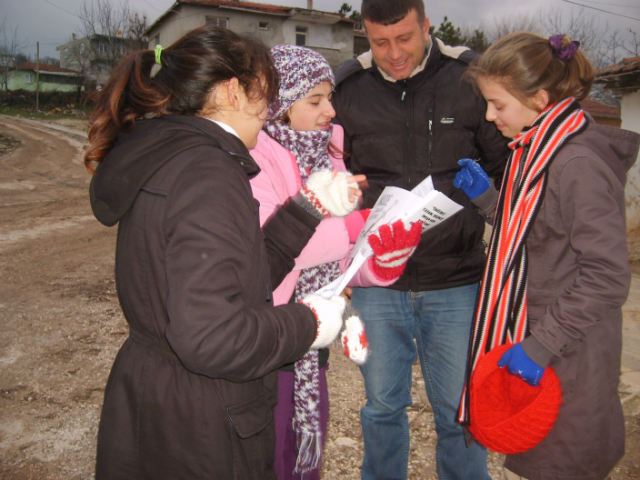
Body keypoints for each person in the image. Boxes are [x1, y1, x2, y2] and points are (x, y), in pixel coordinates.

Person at [85, 24, 363, 479]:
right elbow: (213, 337)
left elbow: (236, 276)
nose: (270, 110)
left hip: (157, 395)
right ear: (234, 91)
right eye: (266, 95)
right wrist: (309, 321)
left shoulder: (167, 152)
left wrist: (307, 210)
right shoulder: (209, 173)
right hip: (201, 421)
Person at [330, 0, 511, 478]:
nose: (393, 53)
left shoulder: (469, 80)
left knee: (458, 410)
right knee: (381, 409)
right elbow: (330, 176)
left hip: (456, 280)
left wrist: (486, 196)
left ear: (426, 26)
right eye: (379, 42)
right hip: (376, 284)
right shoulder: (348, 88)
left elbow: (506, 170)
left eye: (405, 38)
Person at [453, 32, 640, 480]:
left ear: (538, 98)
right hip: (550, 343)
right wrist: (489, 202)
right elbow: (537, 231)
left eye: (498, 104)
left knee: (564, 463)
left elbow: (608, 276)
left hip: (568, 350)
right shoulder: (538, 148)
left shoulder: (574, 163)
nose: (488, 115)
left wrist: (542, 344)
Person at [249, 44, 422, 480]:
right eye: (315, 100)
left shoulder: (328, 157)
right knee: (269, 456)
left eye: (330, 97)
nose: (331, 111)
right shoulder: (255, 159)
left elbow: (339, 263)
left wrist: (380, 260)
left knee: (308, 453)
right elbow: (286, 244)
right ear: (281, 106)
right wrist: (357, 224)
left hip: (312, 341)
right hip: (270, 337)